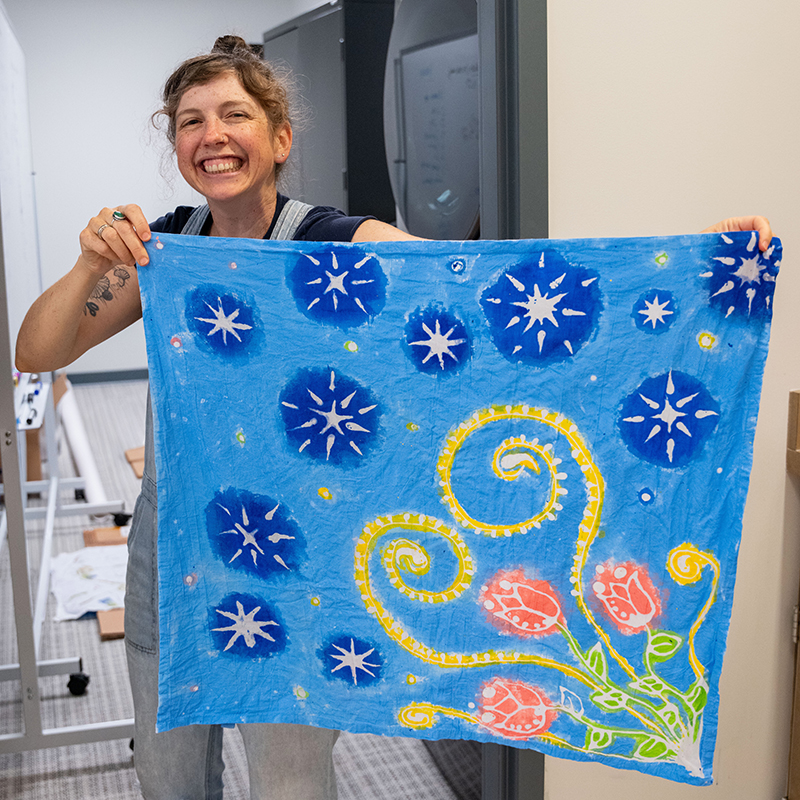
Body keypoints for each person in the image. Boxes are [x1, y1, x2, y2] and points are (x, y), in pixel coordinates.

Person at [15, 35, 773, 800]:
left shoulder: (339, 244)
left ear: (279, 138)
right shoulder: (163, 254)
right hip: (174, 553)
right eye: (189, 121)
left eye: (233, 115)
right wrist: (87, 263)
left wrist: (707, 267)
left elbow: (479, 291)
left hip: (293, 566)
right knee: (166, 776)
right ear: (174, 143)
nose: (210, 136)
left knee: (291, 781)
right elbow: (37, 350)